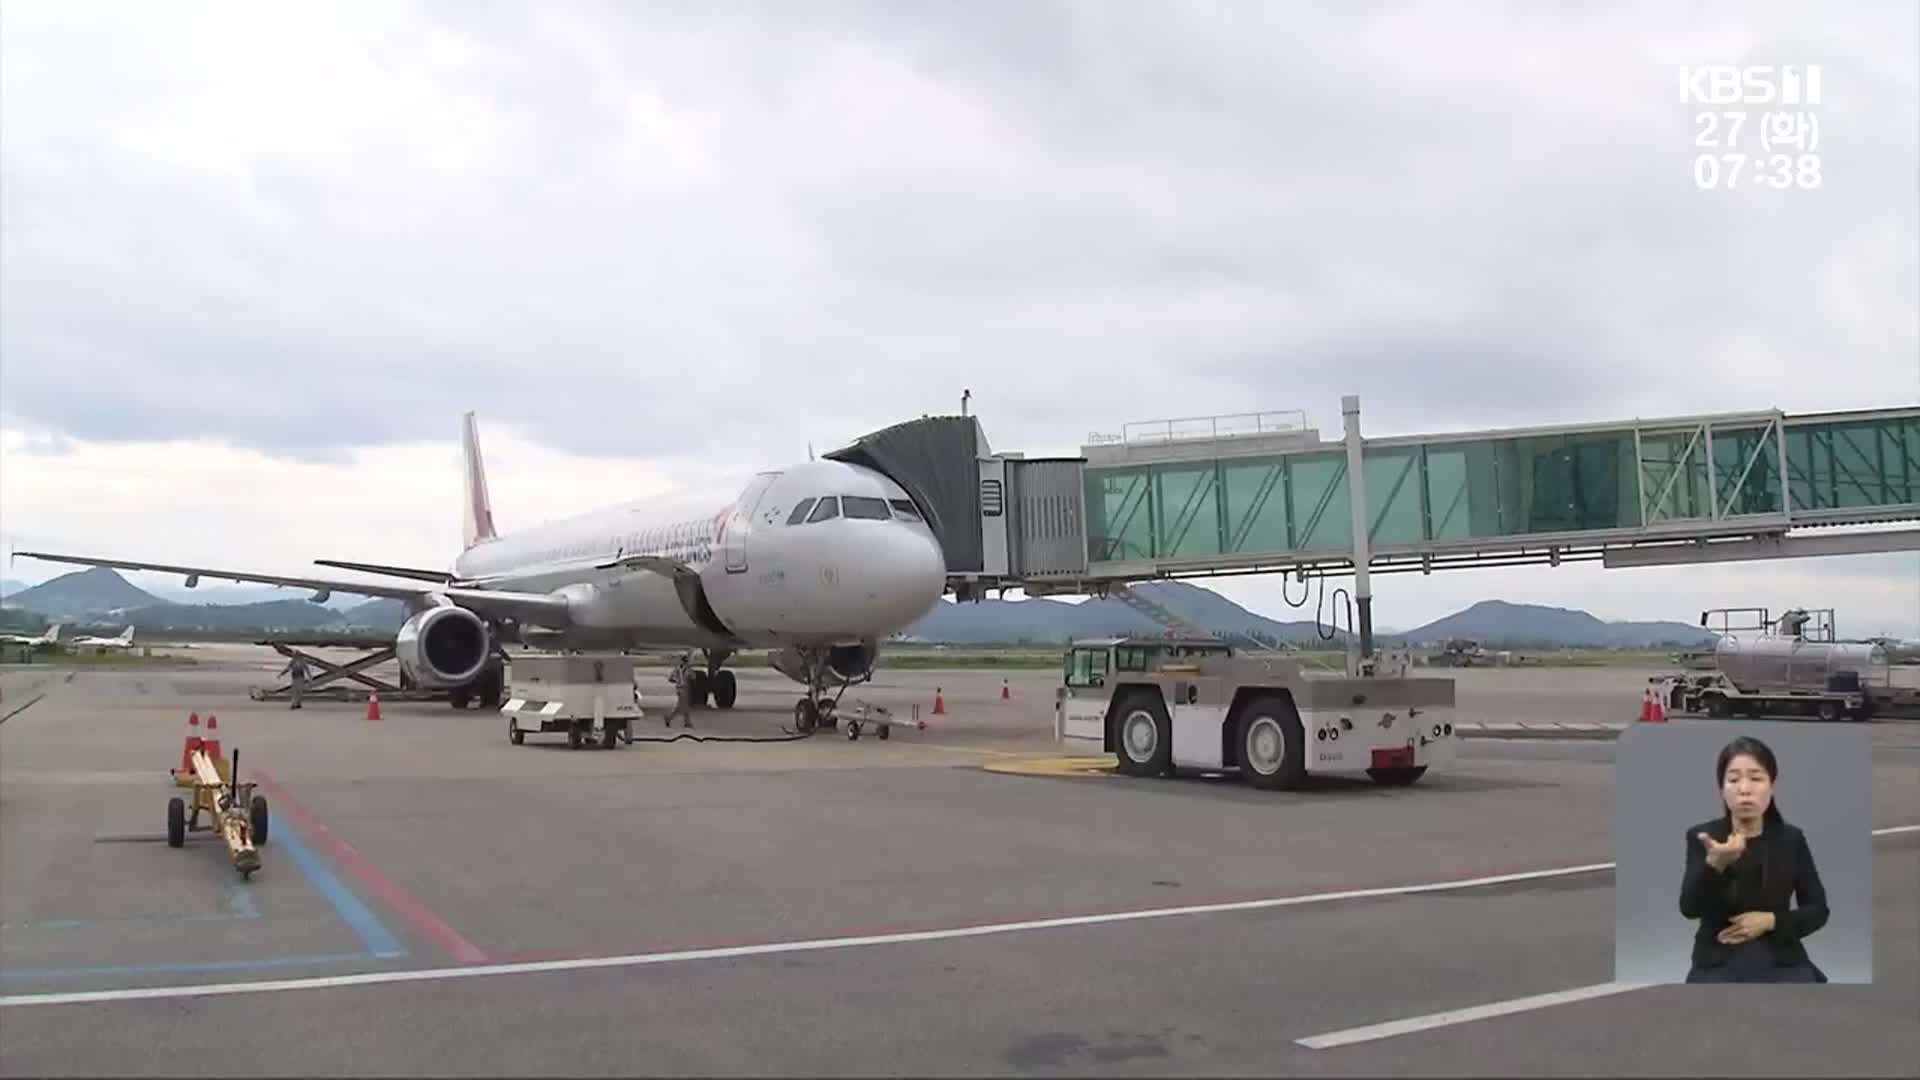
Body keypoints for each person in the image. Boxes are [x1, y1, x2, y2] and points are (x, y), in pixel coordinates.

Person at [1679, 735, 1829, 983]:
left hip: (1781, 958)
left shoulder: (1790, 839)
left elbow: (1818, 910)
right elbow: (1689, 909)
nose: (1745, 789)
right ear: (1722, 788)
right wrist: (1715, 865)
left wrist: (1771, 921)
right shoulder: (1704, 837)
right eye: (1734, 779)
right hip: (1719, 959)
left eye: (1756, 778)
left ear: (1772, 785)